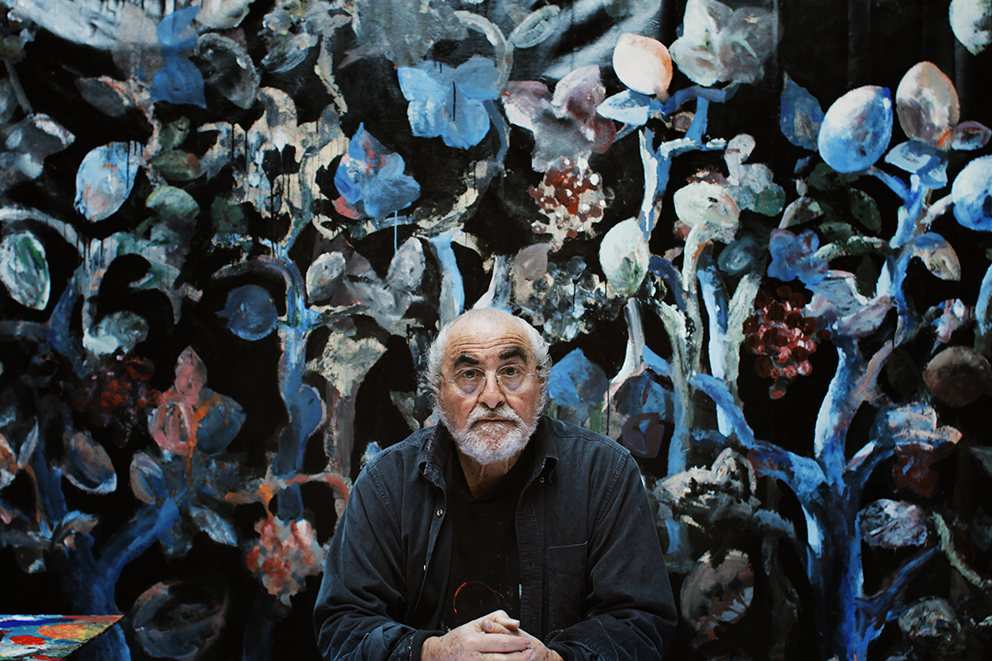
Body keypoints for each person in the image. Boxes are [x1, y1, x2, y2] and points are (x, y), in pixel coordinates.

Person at [313, 307, 677, 660]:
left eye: (511, 371)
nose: (491, 397)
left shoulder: (604, 473)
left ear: (541, 385)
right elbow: (344, 625)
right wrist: (432, 653)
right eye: (469, 374)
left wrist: (554, 660)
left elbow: (640, 624)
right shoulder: (386, 482)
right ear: (438, 392)